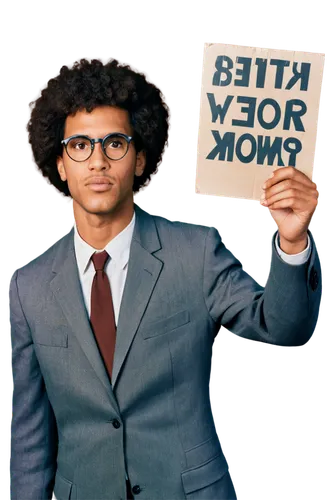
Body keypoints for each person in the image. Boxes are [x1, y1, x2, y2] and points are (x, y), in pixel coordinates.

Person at [8, 56, 322, 500]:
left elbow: (286, 328)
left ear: (139, 160)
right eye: (79, 146)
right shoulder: (28, 288)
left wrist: (291, 242)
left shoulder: (195, 253)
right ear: (60, 164)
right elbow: (29, 441)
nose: (97, 161)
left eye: (114, 144)